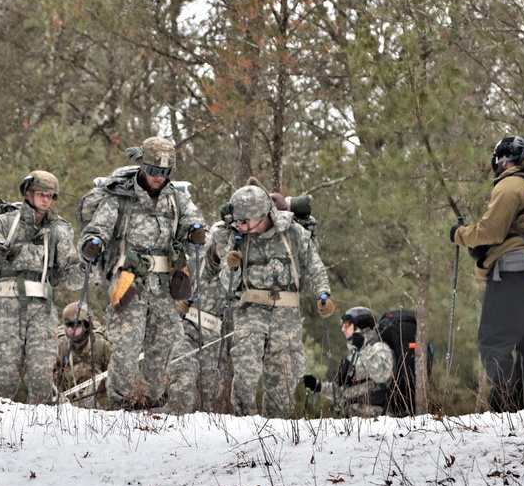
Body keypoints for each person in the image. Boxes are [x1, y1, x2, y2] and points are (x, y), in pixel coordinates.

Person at [78, 136, 206, 410]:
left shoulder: (177, 199)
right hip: (129, 279)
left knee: (162, 347)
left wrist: (196, 232)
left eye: (164, 173)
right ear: (142, 167)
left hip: (164, 284)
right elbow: (98, 228)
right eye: (152, 171)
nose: (158, 178)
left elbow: (193, 225)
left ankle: (148, 402)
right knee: (126, 346)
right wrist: (93, 244)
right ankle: (122, 402)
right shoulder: (120, 197)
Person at [451, 136, 524, 412]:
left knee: (494, 343)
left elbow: (491, 230)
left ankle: (507, 408)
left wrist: (460, 234)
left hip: (514, 274)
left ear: (503, 160)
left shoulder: (511, 184)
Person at [213, 178, 334, 417]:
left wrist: (323, 293)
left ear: (261, 214)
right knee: (246, 374)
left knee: (283, 382)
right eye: (237, 220)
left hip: (286, 315)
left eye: (244, 220)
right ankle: (243, 427)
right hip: (251, 311)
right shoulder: (237, 237)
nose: (239, 225)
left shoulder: (292, 233)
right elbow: (225, 287)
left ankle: (275, 437)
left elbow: (314, 265)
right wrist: (231, 267)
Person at [0, 171, 85, 404]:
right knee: (3, 374)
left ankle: (42, 428)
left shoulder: (59, 230)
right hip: (6, 305)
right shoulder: (5, 223)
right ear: (28, 194)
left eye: (50, 196)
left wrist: (89, 264)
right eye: (40, 194)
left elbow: (72, 276)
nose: (46, 200)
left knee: (43, 371)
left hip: (41, 308)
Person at [166, 222, 229, 414]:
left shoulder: (236, 272)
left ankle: (201, 437)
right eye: (220, 246)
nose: (224, 251)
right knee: (183, 374)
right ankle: (175, 424)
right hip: (187, 331)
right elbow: (168, 288)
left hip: (216, 340)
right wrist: (176, 305)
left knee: (208, 395)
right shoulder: (194, 262)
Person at [303, 306, 394, 417]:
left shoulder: (378, 347)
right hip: (353, 417)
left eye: (347, 324)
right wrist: (319, 386)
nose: (343, 329)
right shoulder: (353, 354)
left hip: (375, 419)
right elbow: (344, 392)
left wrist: (364, 349)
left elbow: (383, 375)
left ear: (359, 326)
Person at [55, 300, 112, 407]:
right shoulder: (60, 345)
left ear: (86, 325)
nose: (71, 329)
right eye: (68, 325)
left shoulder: (100, 344)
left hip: (100, 403)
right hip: (67, 404)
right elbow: (54, 381)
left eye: (76, 325)